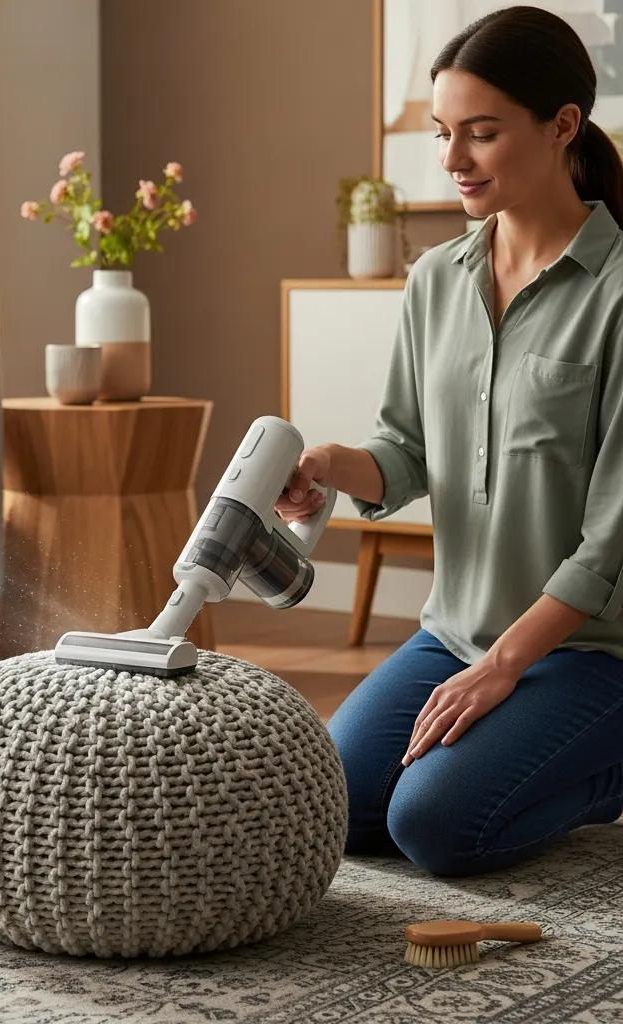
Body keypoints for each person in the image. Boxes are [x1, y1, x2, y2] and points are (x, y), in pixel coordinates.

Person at [276, 6, 623, 877]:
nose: (452, 160)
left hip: (594, 650)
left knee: (436, 827)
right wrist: (327, 465)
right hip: (456, 632)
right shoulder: (437, 278)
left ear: (562, 127)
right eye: (442, 133)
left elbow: (612, 540)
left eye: (481, 133)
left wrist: (505, 668)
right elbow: (406, 451)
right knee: (324, 807)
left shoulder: (617, 294)